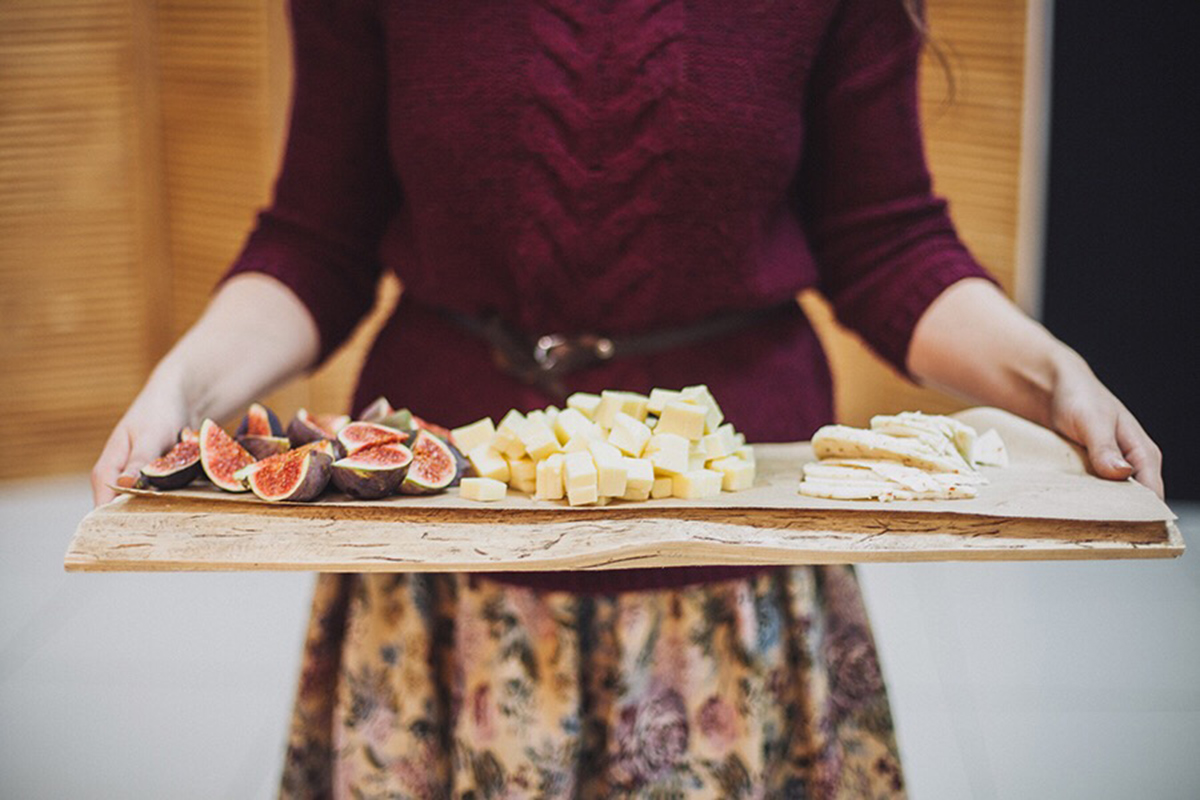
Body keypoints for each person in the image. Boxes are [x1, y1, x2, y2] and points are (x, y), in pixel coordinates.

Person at [92, 0, 1163, 796]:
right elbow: (316, 240)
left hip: (731, 561)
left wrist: (1048, 373)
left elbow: (885, 239)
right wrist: (183, 384)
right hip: (446, 565)